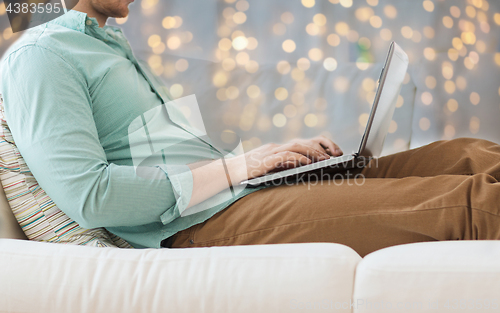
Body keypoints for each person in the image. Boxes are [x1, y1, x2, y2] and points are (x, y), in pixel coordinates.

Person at [1, 0, 499, 257]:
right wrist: (241, 166)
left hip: (235, 195)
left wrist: (268, 157)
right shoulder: (41, 56)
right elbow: (90, 195)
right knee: (470, 203)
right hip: (198, 226)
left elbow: (170, 160)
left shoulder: (106, 43)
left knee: (467, 154)